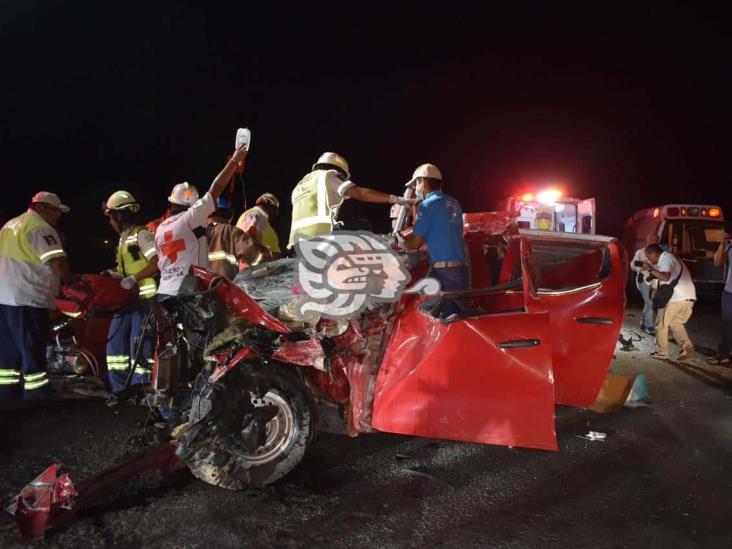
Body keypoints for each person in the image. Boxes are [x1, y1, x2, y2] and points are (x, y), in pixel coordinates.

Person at [0, 192, 71, 400]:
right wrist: (72, 282)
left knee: (8, 348)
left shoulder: (10, 225)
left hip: (5, 298)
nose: (58, 215)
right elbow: (56, 261)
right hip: (28, 296)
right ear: (41, 208)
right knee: (31, 343)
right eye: (55, 211)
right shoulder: (40, 227)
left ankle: (7, 393)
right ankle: (37, 393)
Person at [155, 145, 248, 297]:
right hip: (187, 292)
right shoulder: (190, 218)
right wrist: (234, 160)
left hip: (163, 292)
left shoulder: (160, 229)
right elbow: (216, 188)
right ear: (191, 205)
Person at [288, 152, 416, 248]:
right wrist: (396, 199)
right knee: (362, 226)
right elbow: (359, 193)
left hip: (298, 242)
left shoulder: (299, 185)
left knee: (346, 225)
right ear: (338, 171)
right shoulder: (328, 176)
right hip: (320, 236)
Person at [102, 190, 159, 396]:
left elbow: (156, 263)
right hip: (126, 300)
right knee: (114, 345)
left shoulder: (141, 235)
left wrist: (134, 278)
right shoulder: (122, 239)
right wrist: (113, 274)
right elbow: (124, 269)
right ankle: (119, 388)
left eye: (111, 217)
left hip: (144, 300)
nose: (110, 222)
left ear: (120, 215)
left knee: (140, 345)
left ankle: (140, 388)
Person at [398, 164, 469, 292]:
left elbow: (414, 244)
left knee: (438, 308)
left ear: (422, 182)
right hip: (460, 269)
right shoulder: (453, 202)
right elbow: (443, 231)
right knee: (456, 308)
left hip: (444, 272)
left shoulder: (427, 205)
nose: (416, 191)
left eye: (416, 186)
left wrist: (399, 241)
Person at [644, 243, 696, 360]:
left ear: (654, 253)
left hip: (675, 298)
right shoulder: (672, 258)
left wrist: (650, 269)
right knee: (676, 323)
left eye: (648, 256)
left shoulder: (665, 258)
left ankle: (661, 352)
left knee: (661, 324)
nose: (648, 259)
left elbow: (665, 277)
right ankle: (687, 346)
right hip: (689, 297)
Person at [207, 201, 258, 279]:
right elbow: (253, 257)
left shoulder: (195, 231)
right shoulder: (233, 232)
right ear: (229, 216)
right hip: (223, 287)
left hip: (195, 287)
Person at [707, 231, 732, 365]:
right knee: (727, 325)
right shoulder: (730, 247)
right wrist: (722, 244)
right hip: (729, 292)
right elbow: (717, 262)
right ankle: (724, 355)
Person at [236, 192, 282, 265]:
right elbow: (246, 240)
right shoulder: (254, 214)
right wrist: (264, 254)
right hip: (255, 270)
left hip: (265, 270)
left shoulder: (262, 219)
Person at [630, 234, 661, 335]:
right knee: (650, 303)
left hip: (654, 281)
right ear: (647, 240)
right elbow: (632, 264)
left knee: (648, 303)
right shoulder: (641, 252)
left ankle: (643, 324)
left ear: (658, 241)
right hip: (642, 280)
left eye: (655, 240)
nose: (653, 241)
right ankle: (650, 326)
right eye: (651, 239)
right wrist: (640, 268)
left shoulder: (661, 253)